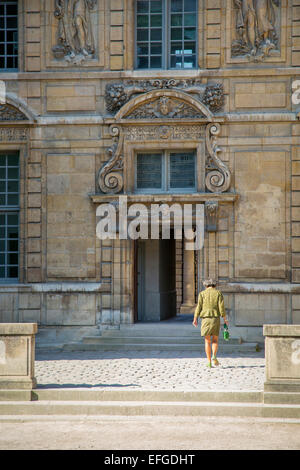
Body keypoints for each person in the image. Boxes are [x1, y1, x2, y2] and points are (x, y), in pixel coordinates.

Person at [192, 279, 229, 368]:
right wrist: (225, 319)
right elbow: (221, 308)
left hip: (205, 319)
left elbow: (199, 307)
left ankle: (208, 361)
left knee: (207, 341)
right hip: (215, 319)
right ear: (214, 285)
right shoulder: (218, 293)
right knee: (215, 340)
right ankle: (214, 356)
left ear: (206, 286)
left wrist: (195, 318)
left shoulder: (202, 294)